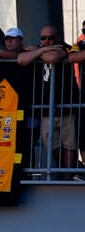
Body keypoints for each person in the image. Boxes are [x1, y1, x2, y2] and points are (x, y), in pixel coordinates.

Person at [18, 25, 84, 177]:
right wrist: (41, 50)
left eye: (51, 38)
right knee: (51, 145)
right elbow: (21, 59)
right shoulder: (39, 49)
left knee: (69, 145)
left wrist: (37, 52)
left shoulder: (65, 48)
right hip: (47, 109)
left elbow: (53, 58)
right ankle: (70, 171)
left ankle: (70, 175)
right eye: (43, 38)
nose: (47, 41)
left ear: (58, 38)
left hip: (66, 106)